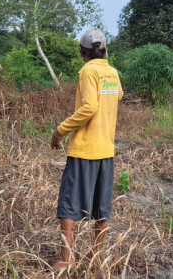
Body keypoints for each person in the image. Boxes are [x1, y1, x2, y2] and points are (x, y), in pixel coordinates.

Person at [50, 28, 124, 271]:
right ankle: (96, 257)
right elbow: (118, 95)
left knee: (69, 204)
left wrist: (61, 130)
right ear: (105, 50)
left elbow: (89, 107)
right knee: (101, 206)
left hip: (84, 150)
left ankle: (66, 258)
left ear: (81, 52)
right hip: (106, 150)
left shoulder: (87, 71)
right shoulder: (111, 72)